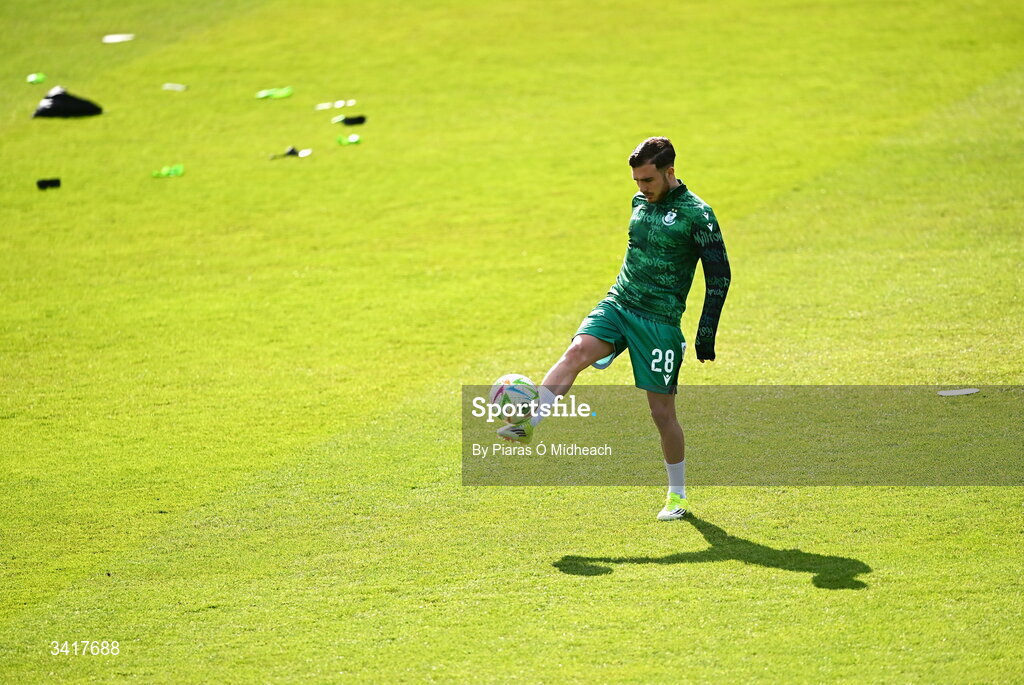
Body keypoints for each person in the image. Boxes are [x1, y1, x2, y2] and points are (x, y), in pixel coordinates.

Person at [498, 137, 731, 520]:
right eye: (637, 180)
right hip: (619, 303)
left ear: (669, 172)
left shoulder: (698, 215)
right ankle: (527, 423)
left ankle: (677, 495)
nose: (641, 188)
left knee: (661, 413)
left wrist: (707, 331)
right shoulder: (639, 202)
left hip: (658, 320)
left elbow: (720, 275)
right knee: (575, 353)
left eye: (648, 180)